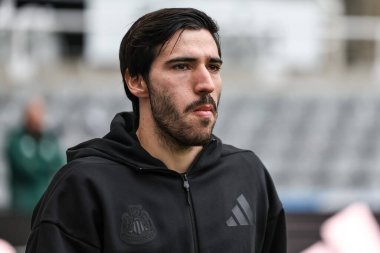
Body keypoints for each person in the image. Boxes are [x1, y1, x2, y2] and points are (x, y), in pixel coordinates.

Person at [25, 8, 286, 253]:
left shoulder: (249, 175)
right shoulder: (84, 186)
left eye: (213, 67)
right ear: (136, 81)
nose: (206, 83)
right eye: (182, 66)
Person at [5, 97, 64, 215]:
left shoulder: (49, 138)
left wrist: (37, 164)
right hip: (22, 205)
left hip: (45, 201)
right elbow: (25, 167)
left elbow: (58, 162)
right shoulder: (16, 139)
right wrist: (44, 165)